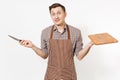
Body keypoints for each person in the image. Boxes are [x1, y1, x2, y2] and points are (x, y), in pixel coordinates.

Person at [20, 3, 94, 80]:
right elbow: (44, 55)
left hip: (69, 75)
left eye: (59, 13)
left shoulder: (76, 32)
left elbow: (79, 56)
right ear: (51, 16)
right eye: (53, 14)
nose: (56, 16)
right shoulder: (45, 32)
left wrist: (90, 44)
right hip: (52, 75)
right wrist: (32, 46)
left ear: (65, 14)